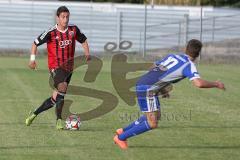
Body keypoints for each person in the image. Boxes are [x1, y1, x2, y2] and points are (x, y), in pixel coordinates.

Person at [113, 39, 225, 149]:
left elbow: (154, 68)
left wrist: (162, 89)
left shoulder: (172, 56)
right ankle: (121, 137)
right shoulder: (188, 65)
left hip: (145, 84)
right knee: (152, 123)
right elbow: (199, 83)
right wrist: (216, 84)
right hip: (148, 89)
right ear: (198, 54)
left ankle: (123, 130)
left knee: (156, 116)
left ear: (185, 49)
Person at [25, 6, 90, 129]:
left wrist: (87, 54)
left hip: (69, 69)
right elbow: (35, 43)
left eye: (67, 17)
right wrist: (32, 60)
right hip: (55, 67)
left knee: (55, 98)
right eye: (63, 17)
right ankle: (59, 121)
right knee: (62, 87)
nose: (65, 20)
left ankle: (34, 114)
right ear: (57, 18)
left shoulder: (73, 30)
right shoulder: (50, 33)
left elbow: (84, 40)